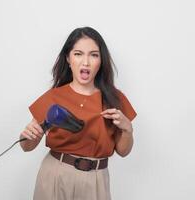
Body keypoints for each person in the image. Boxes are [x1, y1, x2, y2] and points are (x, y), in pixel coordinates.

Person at [19, 26, 137, 200]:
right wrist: (28, 135)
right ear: (68, 58)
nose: (86, 62)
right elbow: (26, 147)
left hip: (96, 181)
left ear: (101, 60)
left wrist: (128, 129)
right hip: (55, 176)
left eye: (94, 55)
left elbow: (123, 151)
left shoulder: (115, 99)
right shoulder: (54, 97)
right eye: (78, 54)